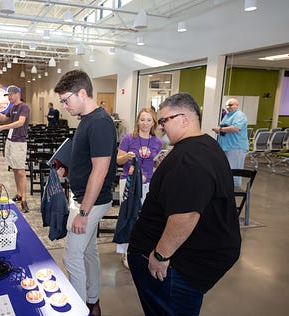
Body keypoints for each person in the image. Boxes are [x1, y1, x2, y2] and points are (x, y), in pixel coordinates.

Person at [128, 93, 241, 316]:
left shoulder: (190, 157)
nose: (160, 128)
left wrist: (161, 255)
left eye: (164, 121)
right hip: (190, 260)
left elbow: (185, 215)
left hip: (176, 266)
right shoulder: (206, 145)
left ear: (185, 118)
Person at [54, 70, 117, 316]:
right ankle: (92, 299)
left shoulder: (100, 122)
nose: (64, 105)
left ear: (82, 93)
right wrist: (66, 166)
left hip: (91, 203)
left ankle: (79, 309)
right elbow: (89, 160)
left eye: (65, 99)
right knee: (88, 251)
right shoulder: (87, 120)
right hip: (85, 200)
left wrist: (83, 212)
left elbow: (100, 172)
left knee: (71, 257)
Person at [116, 107, 162, 269]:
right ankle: (126, 252)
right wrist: (126, 156)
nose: (145, 123)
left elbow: (155, 164)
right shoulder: (129, 138)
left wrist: (159, 163)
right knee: (129, 216)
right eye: (142, 119)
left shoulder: (157, 142)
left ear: (153, 122)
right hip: (128, 183)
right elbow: (118, 161)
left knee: (143, 218)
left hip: (147, 183)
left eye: (149, 120)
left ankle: (138, 250)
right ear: (138, 121)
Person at [0, 85, 31, 213]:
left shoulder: (24, 107)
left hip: (19, 142)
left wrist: (3, 128)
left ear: (16, 94)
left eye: (10, 95)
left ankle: (24, 200)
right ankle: (18, 194)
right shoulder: (12, 107)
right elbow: (3, 118)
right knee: (14, 169)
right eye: (8, 96)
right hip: (10, 141)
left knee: (21, 172)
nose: (9, 98)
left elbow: (20, 122)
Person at [212, 97, 249, 187]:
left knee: (234, 172)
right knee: (227, 171)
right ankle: (227, 190)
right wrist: (220, 130)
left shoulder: (240, 115)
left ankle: (235, 191)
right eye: (227, 105)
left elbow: (236, 128)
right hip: (226, 147)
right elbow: (225, 128)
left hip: (236, 147)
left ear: (237, 105)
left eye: (230, 105)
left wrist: (220, 129)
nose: (228, 107)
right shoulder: (227, 115)